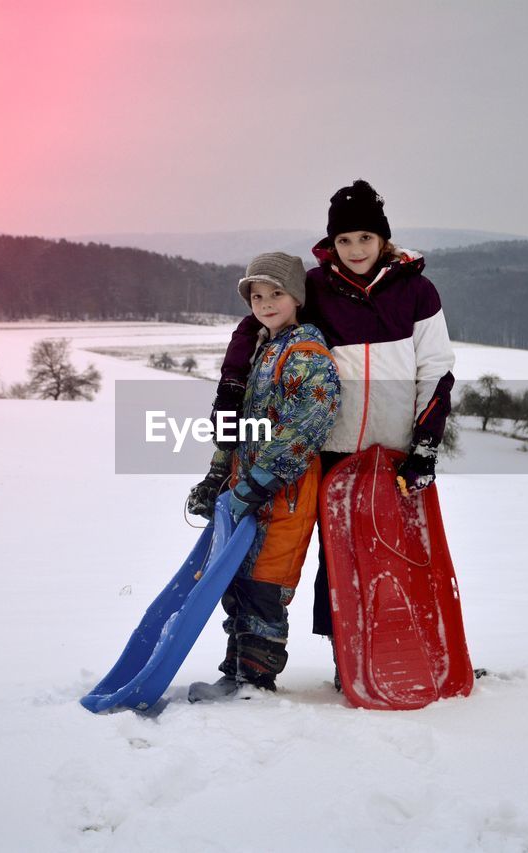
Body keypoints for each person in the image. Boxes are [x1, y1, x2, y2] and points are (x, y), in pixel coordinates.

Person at [209, 180, 455, 685]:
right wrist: (231, 393)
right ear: (332, 244)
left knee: (386, 557)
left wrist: (425, 446)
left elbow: (435, 368)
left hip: (391, 456)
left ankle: (385, 653)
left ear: (383, 239)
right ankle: (343, 656)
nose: (356, 250)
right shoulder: (318, 287)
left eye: (365, 238)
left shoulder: (416, 291)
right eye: (344, 240)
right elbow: (253, 328)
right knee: (326, 561)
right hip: (326, 452)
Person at [186, 251, 340, 698]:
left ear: (297, 297)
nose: (266, 303)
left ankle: (256, 683)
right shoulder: (262, 349)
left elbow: (308, 423)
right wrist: (218, 476)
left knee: (264, 586)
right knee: (235, 582)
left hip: (285, 491)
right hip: (247, 488)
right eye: (257, 295)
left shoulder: (306, 351)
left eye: (277, 293)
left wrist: (257, 483)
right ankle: (234, 675)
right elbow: (241, 429)